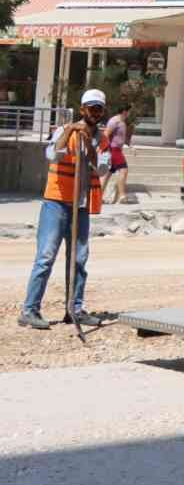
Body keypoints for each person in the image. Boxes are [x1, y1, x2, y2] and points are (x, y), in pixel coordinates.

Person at [18, 90, 111, 329]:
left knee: (79, 258)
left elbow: (101, 169)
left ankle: (75, 309)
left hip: (80, 205)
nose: (95, 113)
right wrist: (69, 132)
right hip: (56, 202)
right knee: (46, 257)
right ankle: (29, 310)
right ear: (82, 110)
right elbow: (52, 155)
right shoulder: (64, 131)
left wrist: (89, 146)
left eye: (98, 109)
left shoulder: (101, 139)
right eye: (91, 108)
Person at [103, 103, 134, 205]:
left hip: (117, 149)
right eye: (129, 111)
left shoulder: (122, 122)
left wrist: (130, 146)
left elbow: (122, 138)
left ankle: (98, 196)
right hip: (114, 149)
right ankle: (122, 196)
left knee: (108, 174)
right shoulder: (114, 121)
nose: (130, 113)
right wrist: (107, 150)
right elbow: (106, 134)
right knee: (124, 170)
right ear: (125, 111)